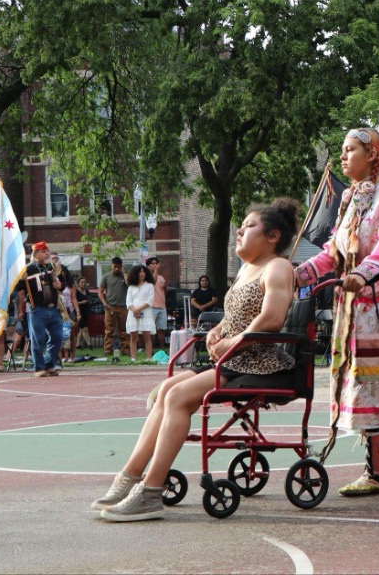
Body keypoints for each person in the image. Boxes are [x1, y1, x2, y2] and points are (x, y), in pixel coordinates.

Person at [94, 199, 300, 522]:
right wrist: (217, 331)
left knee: (177, 397)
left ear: (273, 236)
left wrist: (230, 341)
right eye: (240, 226)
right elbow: (235, 316)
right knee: (165, 390)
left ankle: (150, 492)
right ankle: (130, 476)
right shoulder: (246, 269)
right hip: (233, 359)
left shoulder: (278, 267)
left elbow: (272, 318)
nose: (239, 231)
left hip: (257, 361)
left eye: (249, 226)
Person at [294, 96, 379, 496]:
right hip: (357, 301)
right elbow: (334, 250)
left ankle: (378, 472)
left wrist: (362, 274)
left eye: (351, 149)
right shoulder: (351, 198)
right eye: (343, 149)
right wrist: (297, 274)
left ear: (373, 155)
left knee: (374, 378)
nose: (343, 156)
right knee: (374, 377)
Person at [16, 242, 63, 377]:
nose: (47, 254)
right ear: (36, 254)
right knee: (38, 339)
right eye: (44, 251)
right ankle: (39, 368)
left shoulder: (50, 267)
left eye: (47, 251)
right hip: (37, 309)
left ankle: (49, 365)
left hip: (53, 308)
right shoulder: (27, 269)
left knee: (57, 336)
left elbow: (62, 285)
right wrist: (21, 279)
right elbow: (17, 289)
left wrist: (60, 285)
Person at [126, 264, 157, 361]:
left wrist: (139, 309)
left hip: (145, 313)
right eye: (140, 272)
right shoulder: (131, 287)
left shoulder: (149, 286)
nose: (142, 274)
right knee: (133, 336)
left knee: (146, 335)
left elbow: (150, 301)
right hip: (132, 313)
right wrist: (134, 310)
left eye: (143, 272)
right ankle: (133, 358)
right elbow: (128, 301)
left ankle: (149, 358)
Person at [100, 257, 130, 356]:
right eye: (114, 266)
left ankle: (125, 349)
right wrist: (104, 303)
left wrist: (124, 273)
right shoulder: (106, 277)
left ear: (121, 266)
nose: (116, 269)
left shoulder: (124, 276)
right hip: (110, 306)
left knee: (123, 330)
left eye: (118, 267)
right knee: (109, 330)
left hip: (123, 306)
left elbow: (129, 284)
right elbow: (100, 291)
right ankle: (107, 350)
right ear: (111, 266)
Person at [146, 257, 168, 349]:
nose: (155, 265)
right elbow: (152, 281)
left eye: (156, 263)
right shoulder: (147, 277)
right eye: (153, 264)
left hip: (162, 307)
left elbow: (164, 292)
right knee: (151, 330)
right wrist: (156, 270)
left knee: (162, 329)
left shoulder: (161, 277)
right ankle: (150, 349)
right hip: (151, 307)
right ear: (148, 266)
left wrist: (165, 287)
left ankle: (162, 349)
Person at [74, 277, 93, 349]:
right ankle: (89, 345)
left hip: (85, 312)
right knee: (84, 328)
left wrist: (89, 301)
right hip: (78, 312)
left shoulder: (87, 291)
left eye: (84, 282)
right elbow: (73, 302)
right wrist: (81, 302)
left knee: (81, 329)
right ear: (78, 283)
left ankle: (78, 345)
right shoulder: (76, 292)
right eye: (82, 282)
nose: (83, 283)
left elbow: (90, 300)